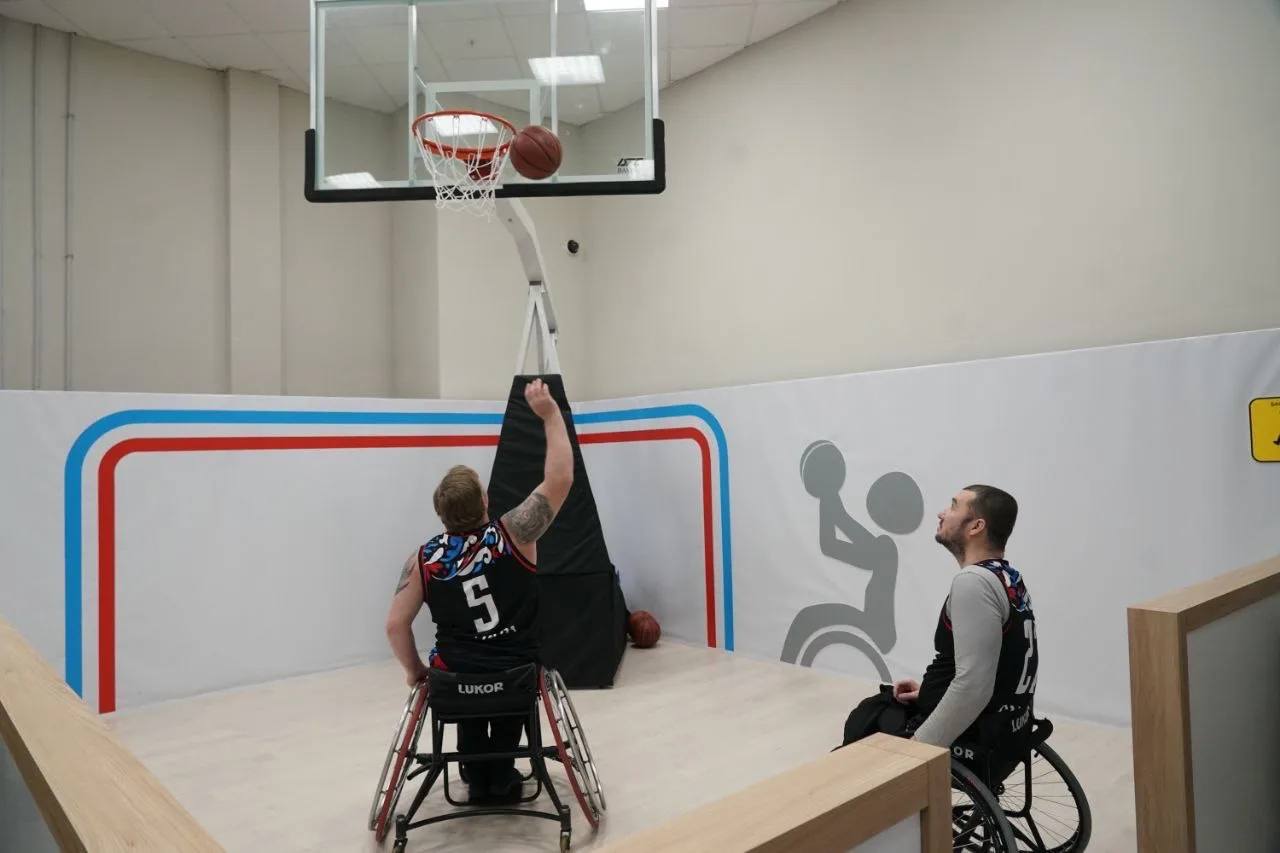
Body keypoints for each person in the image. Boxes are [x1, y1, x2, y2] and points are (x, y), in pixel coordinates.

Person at [384, 379, 573, 803]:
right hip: (514, 675)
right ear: (484, 500)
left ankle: (474, 769)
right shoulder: (515, 533)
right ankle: (501, 774)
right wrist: (550, 414)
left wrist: (414, 671)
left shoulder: (424, 559)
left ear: (441, 513)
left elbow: (395, 625)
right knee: (510, 682)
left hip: (455, 681)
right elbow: (560, 477)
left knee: (461, 681)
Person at [841, 485, 1037, 780]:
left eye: (954, 506)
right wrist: (930, 691)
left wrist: (918, 750)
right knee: (882, 705)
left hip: (975, 737)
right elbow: (1000, 665)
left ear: (976, 526)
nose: (942, 513)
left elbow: (973, 687)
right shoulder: (1008, 578)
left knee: (866, 720)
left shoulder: (973, 583)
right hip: (1009, 729)